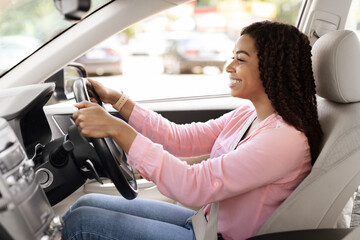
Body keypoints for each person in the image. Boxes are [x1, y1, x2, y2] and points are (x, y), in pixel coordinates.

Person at [62, 20, 323, 240]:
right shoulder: (249, 115)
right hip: (204, 224)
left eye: (240, 60)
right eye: (232, 57)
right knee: (84, 204)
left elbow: (193, 185)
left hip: (218, 237)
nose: (228, 67)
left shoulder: (283, 139)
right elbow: (180, 139)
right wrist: (119, 101)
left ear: (271, 67)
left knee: (82, 223)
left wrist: (119, 131)